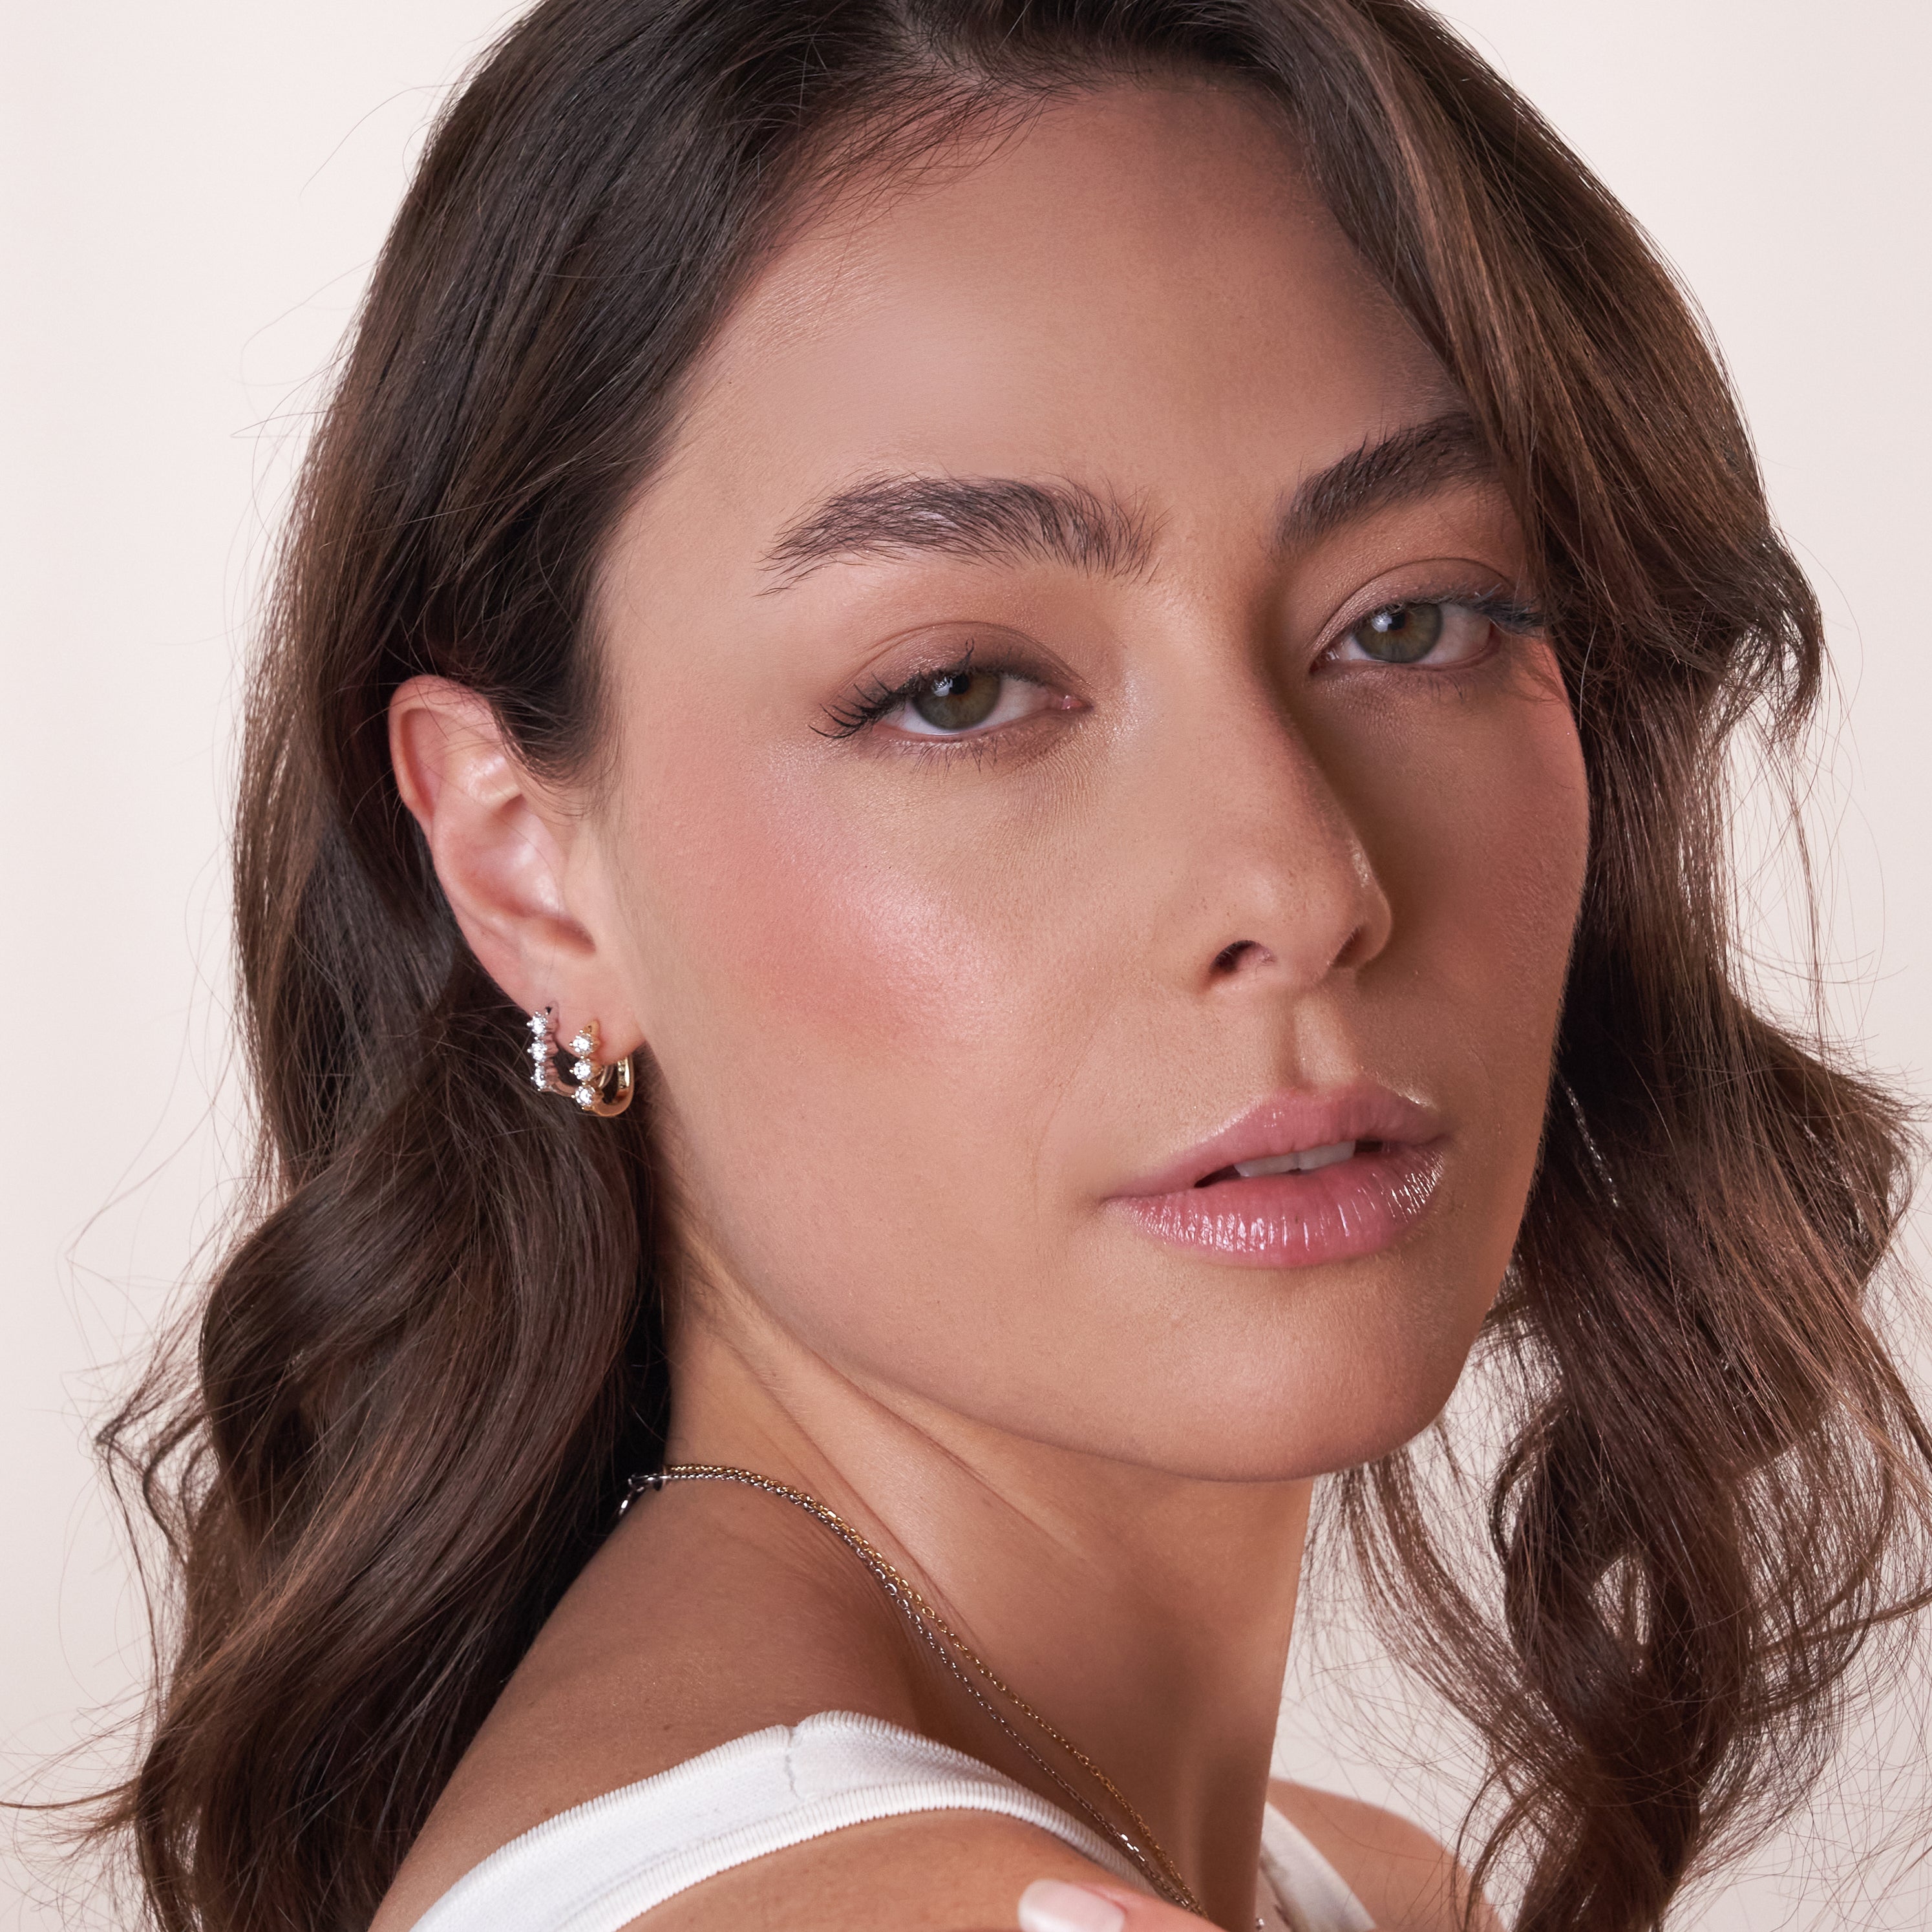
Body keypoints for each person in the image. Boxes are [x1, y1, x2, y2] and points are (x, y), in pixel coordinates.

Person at [89, 3, 1932, 1929]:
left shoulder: (1365, 1891)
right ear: (524, 867)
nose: (1302, 881)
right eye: (959, 690)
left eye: (1414, 621)